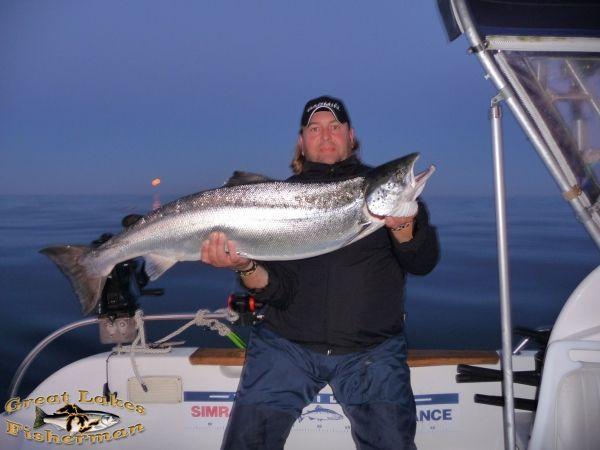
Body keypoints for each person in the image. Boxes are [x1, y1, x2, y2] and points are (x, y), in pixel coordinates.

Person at [201, 95, 439, 450]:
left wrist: (404, 226)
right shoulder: (279, 201)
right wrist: (244, 266)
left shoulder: (397, 202)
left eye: (334, 127)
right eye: (314, 129)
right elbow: (276, 290)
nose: (325, 136)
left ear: (351, 136)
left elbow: (423, 263)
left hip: (370, 352)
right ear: (301, 141)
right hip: (285, 346)